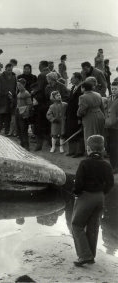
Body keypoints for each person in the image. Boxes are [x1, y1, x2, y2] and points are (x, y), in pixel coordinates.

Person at [71, 135, 114, 267]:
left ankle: (84, 255)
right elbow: (110, 183)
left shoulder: (84, 163)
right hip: (100, 197)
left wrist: (76, 193)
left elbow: (78, 183)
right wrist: (102, 193)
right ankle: (91, 255)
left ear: (88, 148)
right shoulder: (106, 164)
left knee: (77, 225)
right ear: (103, 149)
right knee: (93, 227)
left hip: (86, 196)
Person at [77, 81, 105, 150]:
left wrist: (78, 115)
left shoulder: (83, 97)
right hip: (100, 115)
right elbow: (102, 107)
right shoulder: (98, 94)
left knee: (89, 135)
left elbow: (82, 110)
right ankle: (100, 150)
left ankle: (90, 152)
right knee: (100, 134)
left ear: (83, 88)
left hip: (90, 117)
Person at [32, 60, 51, 151]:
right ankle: (50, 142)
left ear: (42, 66)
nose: (38, 68)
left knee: (39, 124)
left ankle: (39, 145)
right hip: (49, 102)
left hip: (41, 103)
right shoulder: (51, 73)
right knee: (48, 123)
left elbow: (40, 89)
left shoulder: (41, 75)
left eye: (39, 66)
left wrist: (34, 95)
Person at [66, 72, 85, 158]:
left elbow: (81, 104)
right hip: (71, 114)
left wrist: (79, 117)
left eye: (73, 78)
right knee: (71, 131)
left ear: (77, 78)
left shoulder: (82, 88)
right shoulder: (74, 87)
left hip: (77, 114)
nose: (71, 80)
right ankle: (72, 151)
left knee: (78, 133)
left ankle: (79, 151)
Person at [0, 63, 16, 135]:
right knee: (0, 115)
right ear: (5, 69)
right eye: (8, 70)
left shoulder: (14, 77)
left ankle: (7, 131)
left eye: (11, 70)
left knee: (8, 116)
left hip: (10, 99)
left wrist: (14, 98)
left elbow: (15, 88)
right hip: (2, 99)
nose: (9, 71)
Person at [15, 78, 32, 150]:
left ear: (24, 85)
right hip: (18, 112)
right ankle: (22, 144)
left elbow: (29, 104)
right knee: (19, 129)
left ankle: (26, 145)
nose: (18, 86)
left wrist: (26, 114)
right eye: (17, 85)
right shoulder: (19, 93)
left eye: (20, 85)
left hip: (23, 114)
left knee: (24, 130)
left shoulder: (26, 93)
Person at [104, 81, 118, 173]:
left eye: (116, 89)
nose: (113, 90)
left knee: (115, 146)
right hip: (108, 126)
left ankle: (115, 167)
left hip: (116, 126)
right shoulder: (108, 99)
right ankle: (113, 165)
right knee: (110, 146)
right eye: (112, 88)